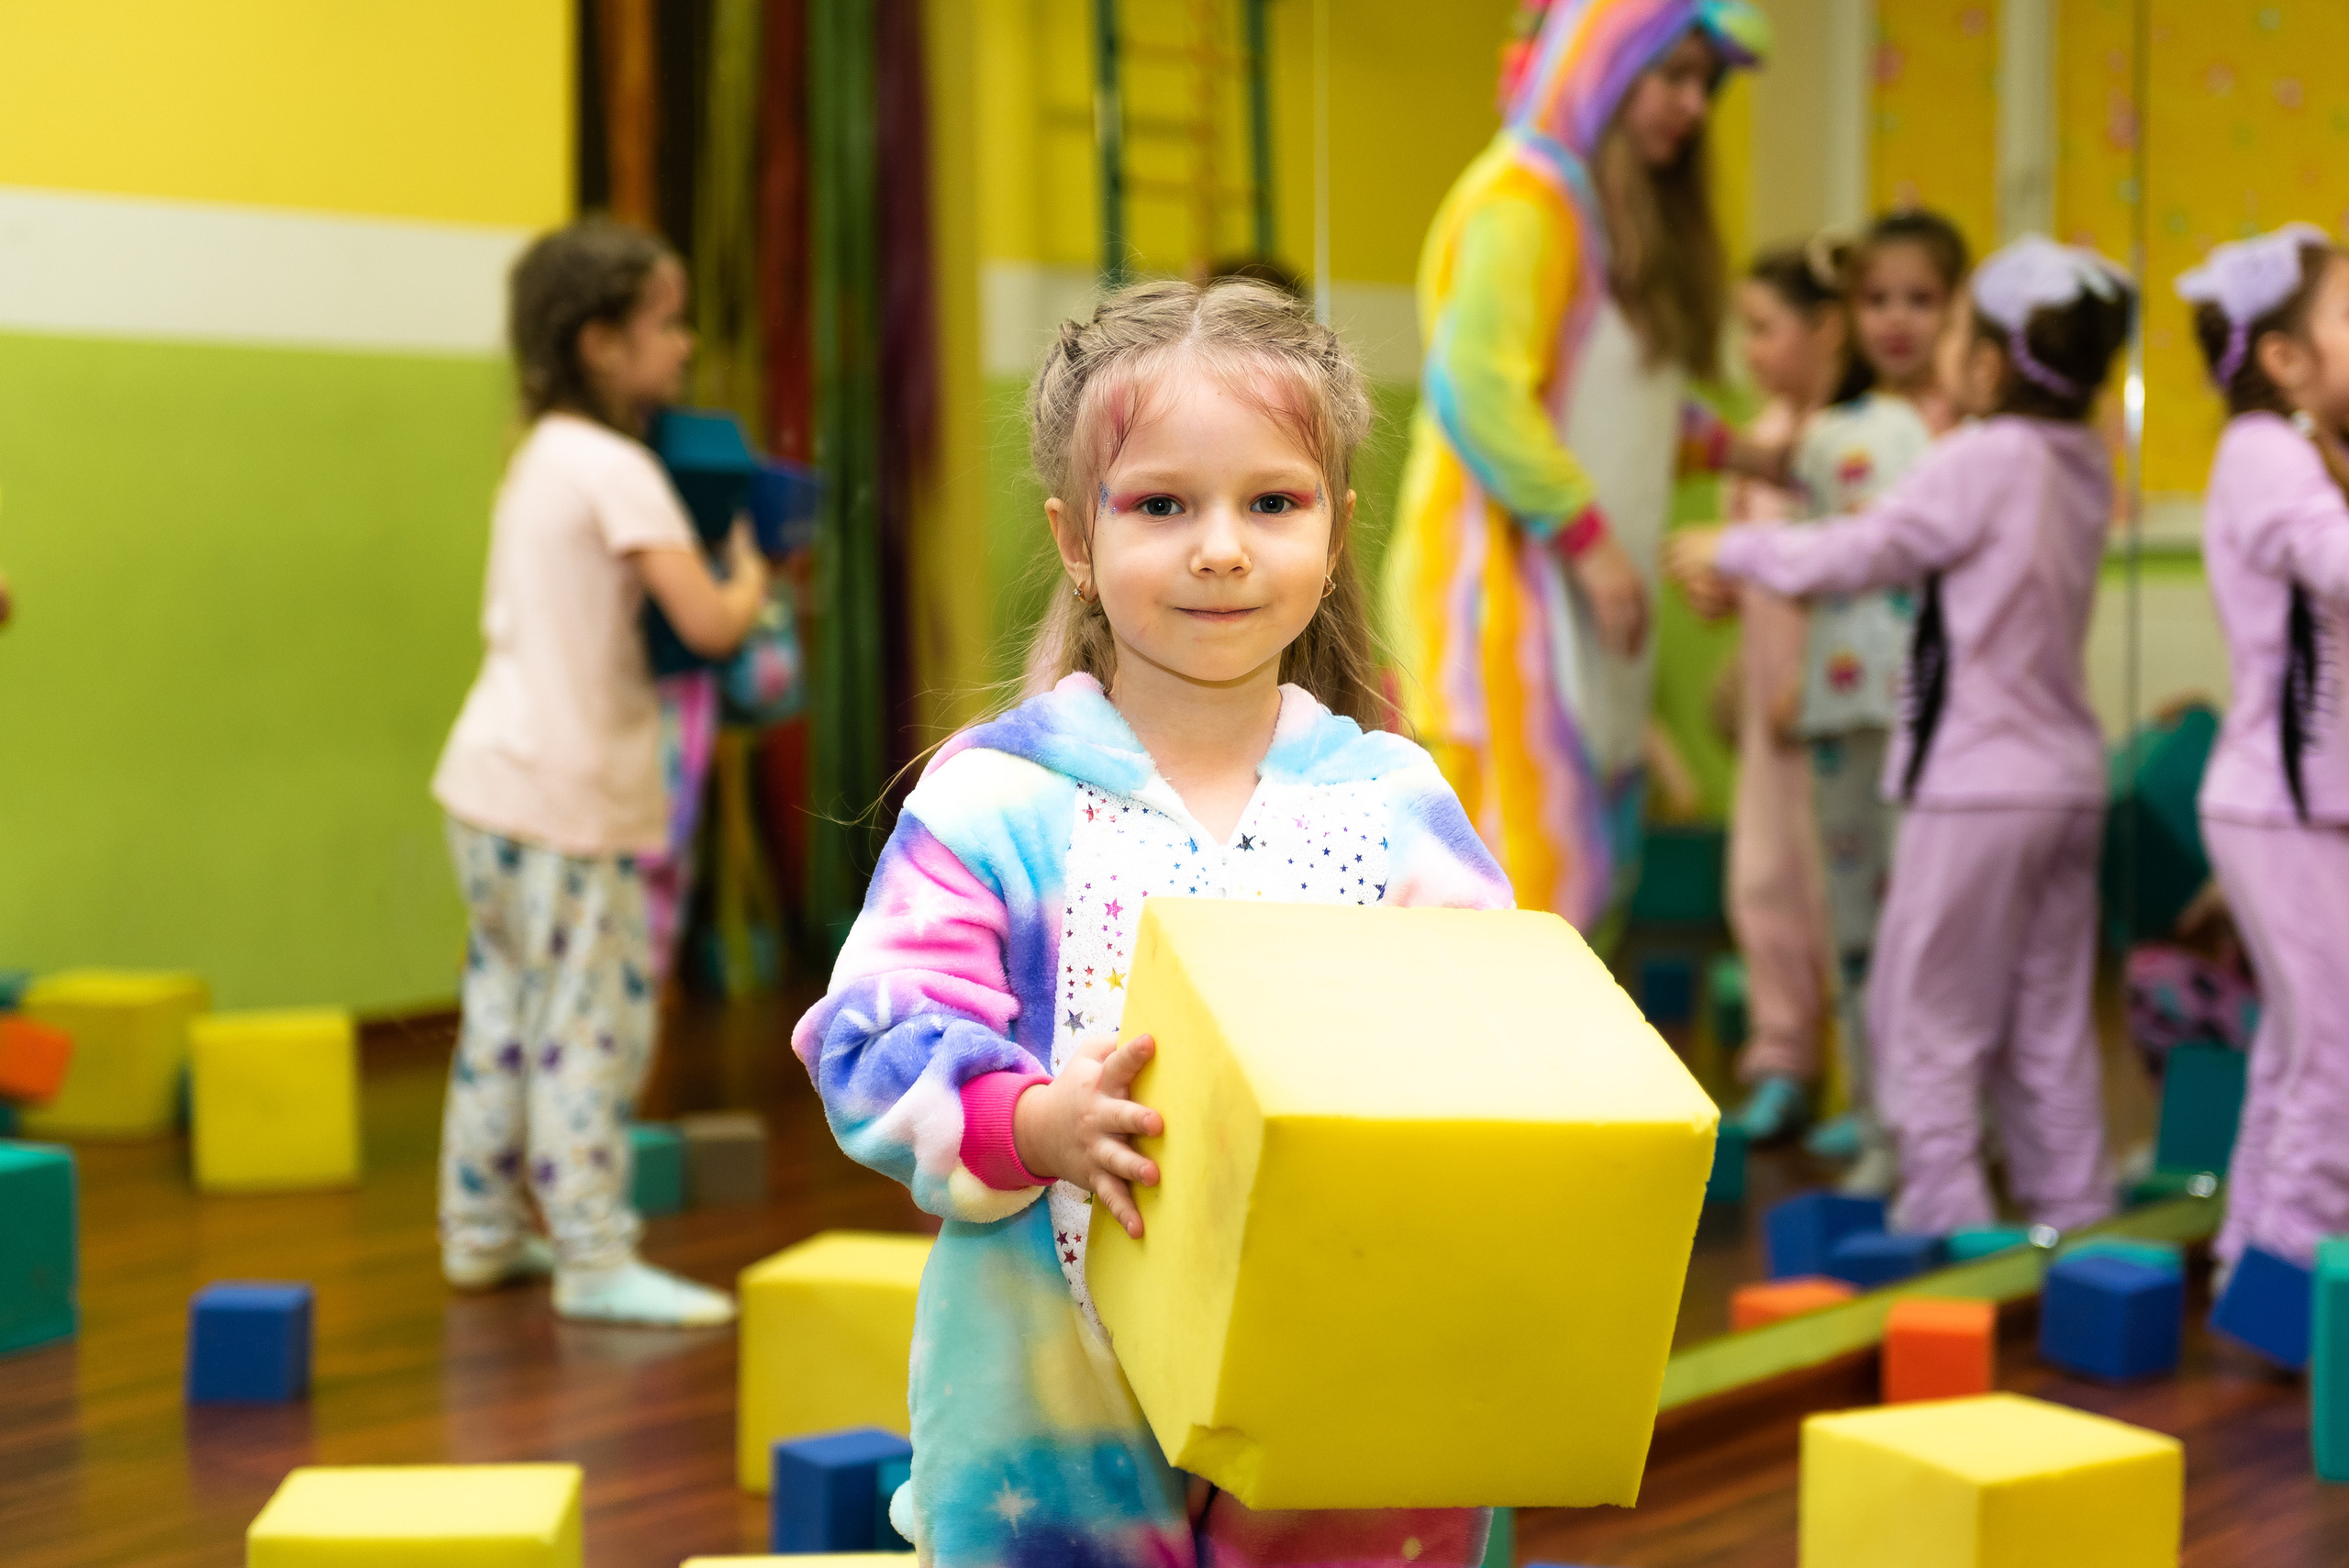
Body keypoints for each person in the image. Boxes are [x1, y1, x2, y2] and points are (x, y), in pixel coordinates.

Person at [793, 279, 1514, 1565]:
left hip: (1328, 1370)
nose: (1222, 546)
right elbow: (872, 1037)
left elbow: (1501, 1043)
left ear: (1338, 532)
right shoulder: (999, 797)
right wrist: (1029, 1122)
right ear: (1077, 538)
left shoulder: (1397, 803)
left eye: (1273, 502)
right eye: (1163, 504)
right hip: (1058, 1394)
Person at [1668, 235, 2135, 1236]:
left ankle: (1943, 1226)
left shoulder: (1978, 458)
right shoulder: (2084, 457)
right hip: (2065, 781)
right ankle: (2073, 1215)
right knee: (2047, 1020)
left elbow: (1869, 544)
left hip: (1975, 786)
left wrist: (1733, 544)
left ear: (1988, 363)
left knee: (1923, 1012)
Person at [429, 217, 769, 1326]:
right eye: (663, 325)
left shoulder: (537, 455)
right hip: (569, 798)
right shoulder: (620, 466)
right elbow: (710, 623)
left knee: (504, 1007)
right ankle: (590, 1250)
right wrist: (753, 566)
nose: (683, 346)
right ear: (598, 344)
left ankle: (479, 1230)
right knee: (589, 1022)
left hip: (490, 785)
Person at [1382, 0, 1771, 941]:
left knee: (1580, 905)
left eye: (1701, 86)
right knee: (1518, 914)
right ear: (1601, 66)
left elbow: (1609, 408)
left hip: (1577, 615)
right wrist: (1592, 544)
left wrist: (1741, 450)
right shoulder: (1527, 199)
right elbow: (1480, 392)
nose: (1689, 106)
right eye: (1667, 76)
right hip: (1500, 613)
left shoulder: (1598, 216)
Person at [1742, 214, 1971, 1176]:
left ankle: (1945, 1123)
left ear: (1955, 309)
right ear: (1848, 314)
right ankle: (1875, 1112)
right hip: (1842, 712)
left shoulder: (1967, 433)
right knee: (1857, 920)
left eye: (1919, 300)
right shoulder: (1832, 431)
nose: (1896, 320)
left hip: (1942, 715)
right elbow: (1814, 560)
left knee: (1938, 927)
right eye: (1876, 300)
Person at [2176, 225, 2349, 1288]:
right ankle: (2299, 1278)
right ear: (2284, 358)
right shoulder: (2261, 451)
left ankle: (2257, 1261)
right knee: (2334, 1045)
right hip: (2276, 802)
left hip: (2302, 799)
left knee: (2300, 1043)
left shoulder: (2306, 452)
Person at [1714, 240, 1855, 1151]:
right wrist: (1716, 603)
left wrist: (1808, 674)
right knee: (1761, 879)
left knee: (1838, 889)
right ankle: (1782, 1061)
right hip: (1767, 708)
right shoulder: (1757, 441)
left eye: (1767, 328)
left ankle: (1863, 1084)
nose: (1753, 350)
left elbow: (1860, 571)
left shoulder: (1851, 441)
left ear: (1823, 329)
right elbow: (1745, 568)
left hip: (1837, 704)